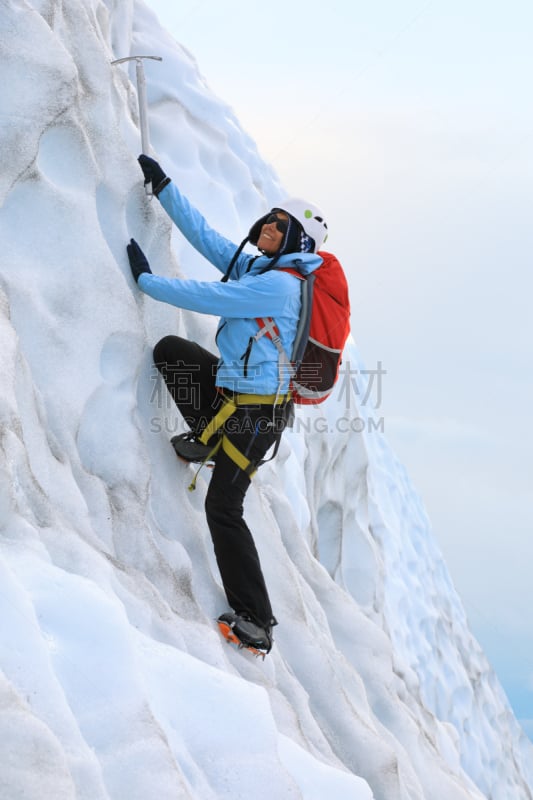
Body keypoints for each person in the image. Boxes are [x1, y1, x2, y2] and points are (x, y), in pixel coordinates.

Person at [127, 154, 329, 655]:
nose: (265, 226)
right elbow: (212, 241)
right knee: (171, 353)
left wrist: (147, 283)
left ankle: (257, 622)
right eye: (269, 219)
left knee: (223, 507)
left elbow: (209, 299)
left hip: (257, 419)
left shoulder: (280, 286)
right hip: (231, 397)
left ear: (296, 241)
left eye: (278, 225)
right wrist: (166, 188)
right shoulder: (261, 266)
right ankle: (209, 439)